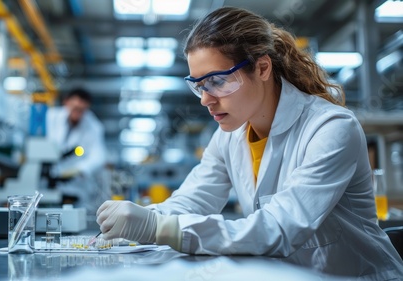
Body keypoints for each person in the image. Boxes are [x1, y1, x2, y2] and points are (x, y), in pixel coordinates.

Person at [96, 7, 403, 279]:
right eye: (198, 85)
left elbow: (278, 229)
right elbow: (191, 202)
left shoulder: (330, 128)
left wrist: (159, 228)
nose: (205, 99)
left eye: (217, 81)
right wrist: (138, 219)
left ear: (262, 68)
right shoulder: (229, 136)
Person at [46, 87, 107, 213]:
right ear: (66, 102)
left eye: (82, 110)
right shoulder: (51, 117)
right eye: (75, 108)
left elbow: (99, 156)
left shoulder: (94, 126)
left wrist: (80, 169)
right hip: (48, 180)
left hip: (76, 185)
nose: (78, 113)